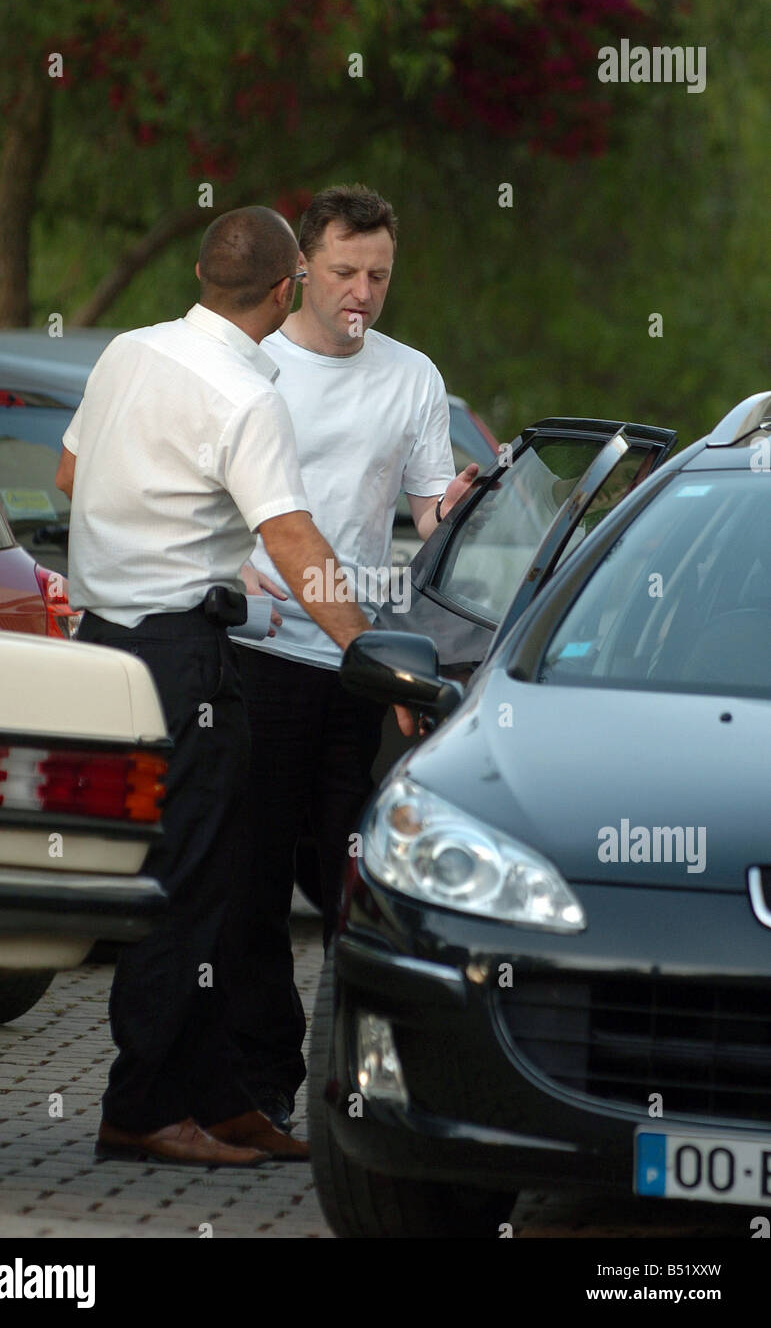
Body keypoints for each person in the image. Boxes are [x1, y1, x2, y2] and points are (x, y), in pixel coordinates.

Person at [55, 206, 373, 1167]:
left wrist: (170, 533)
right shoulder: (247, 397)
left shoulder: (128, 352)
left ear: (199, 270)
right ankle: (144, 1109)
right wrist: (367, 649)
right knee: (193, 886)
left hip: (105, 645)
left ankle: (217, 1096)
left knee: (205, 877)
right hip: (182, 660)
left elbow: (72, 473)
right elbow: (291, 538)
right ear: (286, 292)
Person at [223, 184, 479, 1130]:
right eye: (341, 272)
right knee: (249, 888)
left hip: (361, 662)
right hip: (260, 655)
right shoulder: (252, 366)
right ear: (300, 270)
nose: (360, 291)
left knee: (356, 886)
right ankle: (257, 1092)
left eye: (377, 274)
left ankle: (367, 1090)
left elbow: (424, 508)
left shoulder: (411, 374)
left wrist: (455, 507)